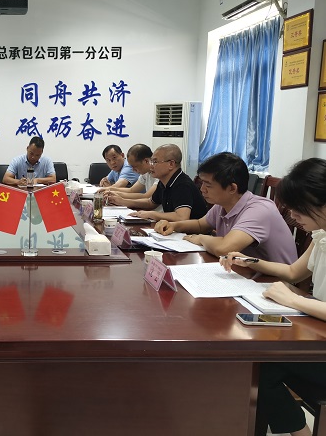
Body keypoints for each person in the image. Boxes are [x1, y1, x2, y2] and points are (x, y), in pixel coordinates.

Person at [220, 158, 326, 436]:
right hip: (317, 335)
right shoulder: (321, 234)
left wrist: (294, 300)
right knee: (256, 360)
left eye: (298, 207)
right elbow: (292, 272)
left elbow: (294, 288)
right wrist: (250, 261)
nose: (292, 214)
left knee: (258, 364)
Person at [153, 152, 297, 261]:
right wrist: (173, 225)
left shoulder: (259, 210)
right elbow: (200, 224)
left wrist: (200, 238)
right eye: (202, 183)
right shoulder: (223, 205)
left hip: (275, 282)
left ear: (232, 188)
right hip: (245, 272)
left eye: (208, 185)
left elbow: (224, 248)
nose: (202, 189)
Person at [116, 144, 206, 221]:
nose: (151, 166)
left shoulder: (182, 184)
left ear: (171, 164)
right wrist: (123, 202)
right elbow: (150, 203)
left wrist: (151, 214)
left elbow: (181, 217)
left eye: (155, 162)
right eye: (152, 161)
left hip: (192, 233)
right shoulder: (163, 182)